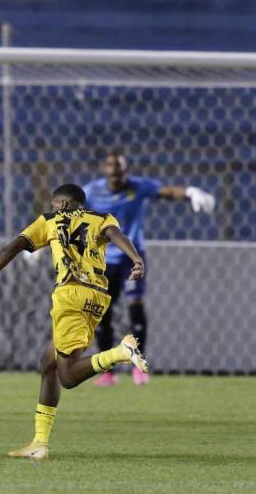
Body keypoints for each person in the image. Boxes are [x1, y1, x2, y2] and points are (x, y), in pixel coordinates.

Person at [0, 184, 148, 460]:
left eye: (55, 203)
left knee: (67, 376)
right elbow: (116, 235)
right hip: (98, 297)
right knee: (49, 362)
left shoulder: (50, 221)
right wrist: (136, 259)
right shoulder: (103, 218)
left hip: (69, 296)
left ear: (64, 203)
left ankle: (121, 352)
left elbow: (13, 247)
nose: (53, 208)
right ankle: (39, 443)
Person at [83, 151, 215, 386]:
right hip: (103, 259)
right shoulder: (92, 191)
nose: (116, 171)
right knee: (102, 311)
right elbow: (66, 211)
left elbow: (167, 191)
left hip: (133, 256)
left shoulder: (138, 186)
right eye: (111, 166)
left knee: (136, 305)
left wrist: (190, 192)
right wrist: (41, 243)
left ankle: (139, 367)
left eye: (120, 167)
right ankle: (107, 372)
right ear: (104, 169)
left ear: (126, 170)